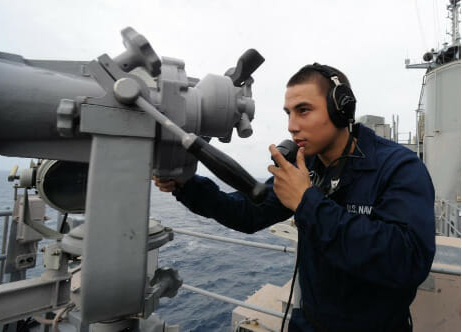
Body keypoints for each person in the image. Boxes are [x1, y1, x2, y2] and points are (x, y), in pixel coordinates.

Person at [153, 63, 435, 332]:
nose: (292, 125)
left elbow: (408, 261)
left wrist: (307, 202)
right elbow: (249, 214)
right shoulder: (306, 165)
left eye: (303, 111)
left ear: (341, 109)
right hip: (309, 323)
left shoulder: (398, 167)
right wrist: (187, 186)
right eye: (288, 113)